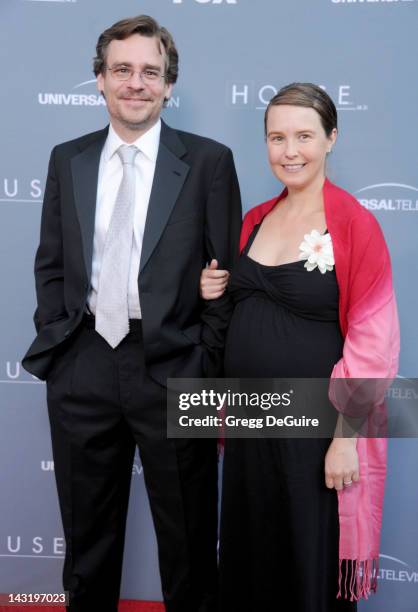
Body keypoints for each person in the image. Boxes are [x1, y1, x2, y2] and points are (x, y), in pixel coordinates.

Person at [22, 15, 241, 612]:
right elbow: (52, 265)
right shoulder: (67, 158)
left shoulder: (208, 162)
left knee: (190, 544)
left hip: (174, 368)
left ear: (170, 85)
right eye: (123, 70)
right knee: (87, 550)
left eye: (151, 72)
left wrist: (204, 364)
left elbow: (229, 274)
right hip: (84, 363)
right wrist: (60, 346)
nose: (136, 83)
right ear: (99, 80)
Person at [200, 83, 400, 612]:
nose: (290, 151)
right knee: (253, 551)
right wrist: (212, 293)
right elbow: (235, 315)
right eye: (277, 137)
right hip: (250, 422)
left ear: (332, 138)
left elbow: (373, 342)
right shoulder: (254, 219)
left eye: (305, 136)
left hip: (317, 430)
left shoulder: (356, 224)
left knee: (308, 558)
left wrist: (345, 439)